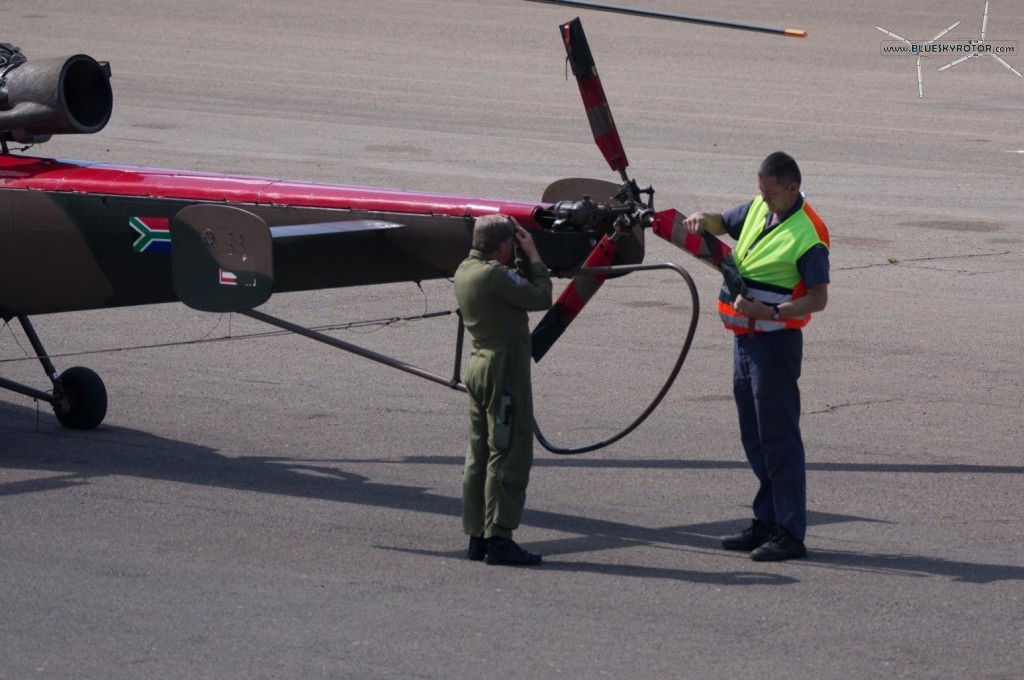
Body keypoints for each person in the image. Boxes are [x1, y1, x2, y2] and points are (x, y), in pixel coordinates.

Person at [682, 151, 830, 562]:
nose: (762, 199)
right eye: (759, 191)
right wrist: (701, 218)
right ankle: (766, 521)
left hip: (774, 346)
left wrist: (772, 313)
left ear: (792, 188)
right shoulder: (758, 209)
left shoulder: (809, 235)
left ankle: (789, 532)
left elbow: (818, 299)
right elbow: (722, 221)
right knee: (756, 439)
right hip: (745, 343)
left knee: (780, 440)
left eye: (770, 193)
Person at [453, 214, 552, 566]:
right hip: (503, 371)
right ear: (501, 246)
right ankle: (500, 538)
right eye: (511, 243)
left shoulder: (466, 269)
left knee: (479, 453)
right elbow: (540, 297)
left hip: (479, 366)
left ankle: (477, 537)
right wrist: (534, 258)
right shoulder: (495, 275)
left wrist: (516, 256)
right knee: (508, 453)